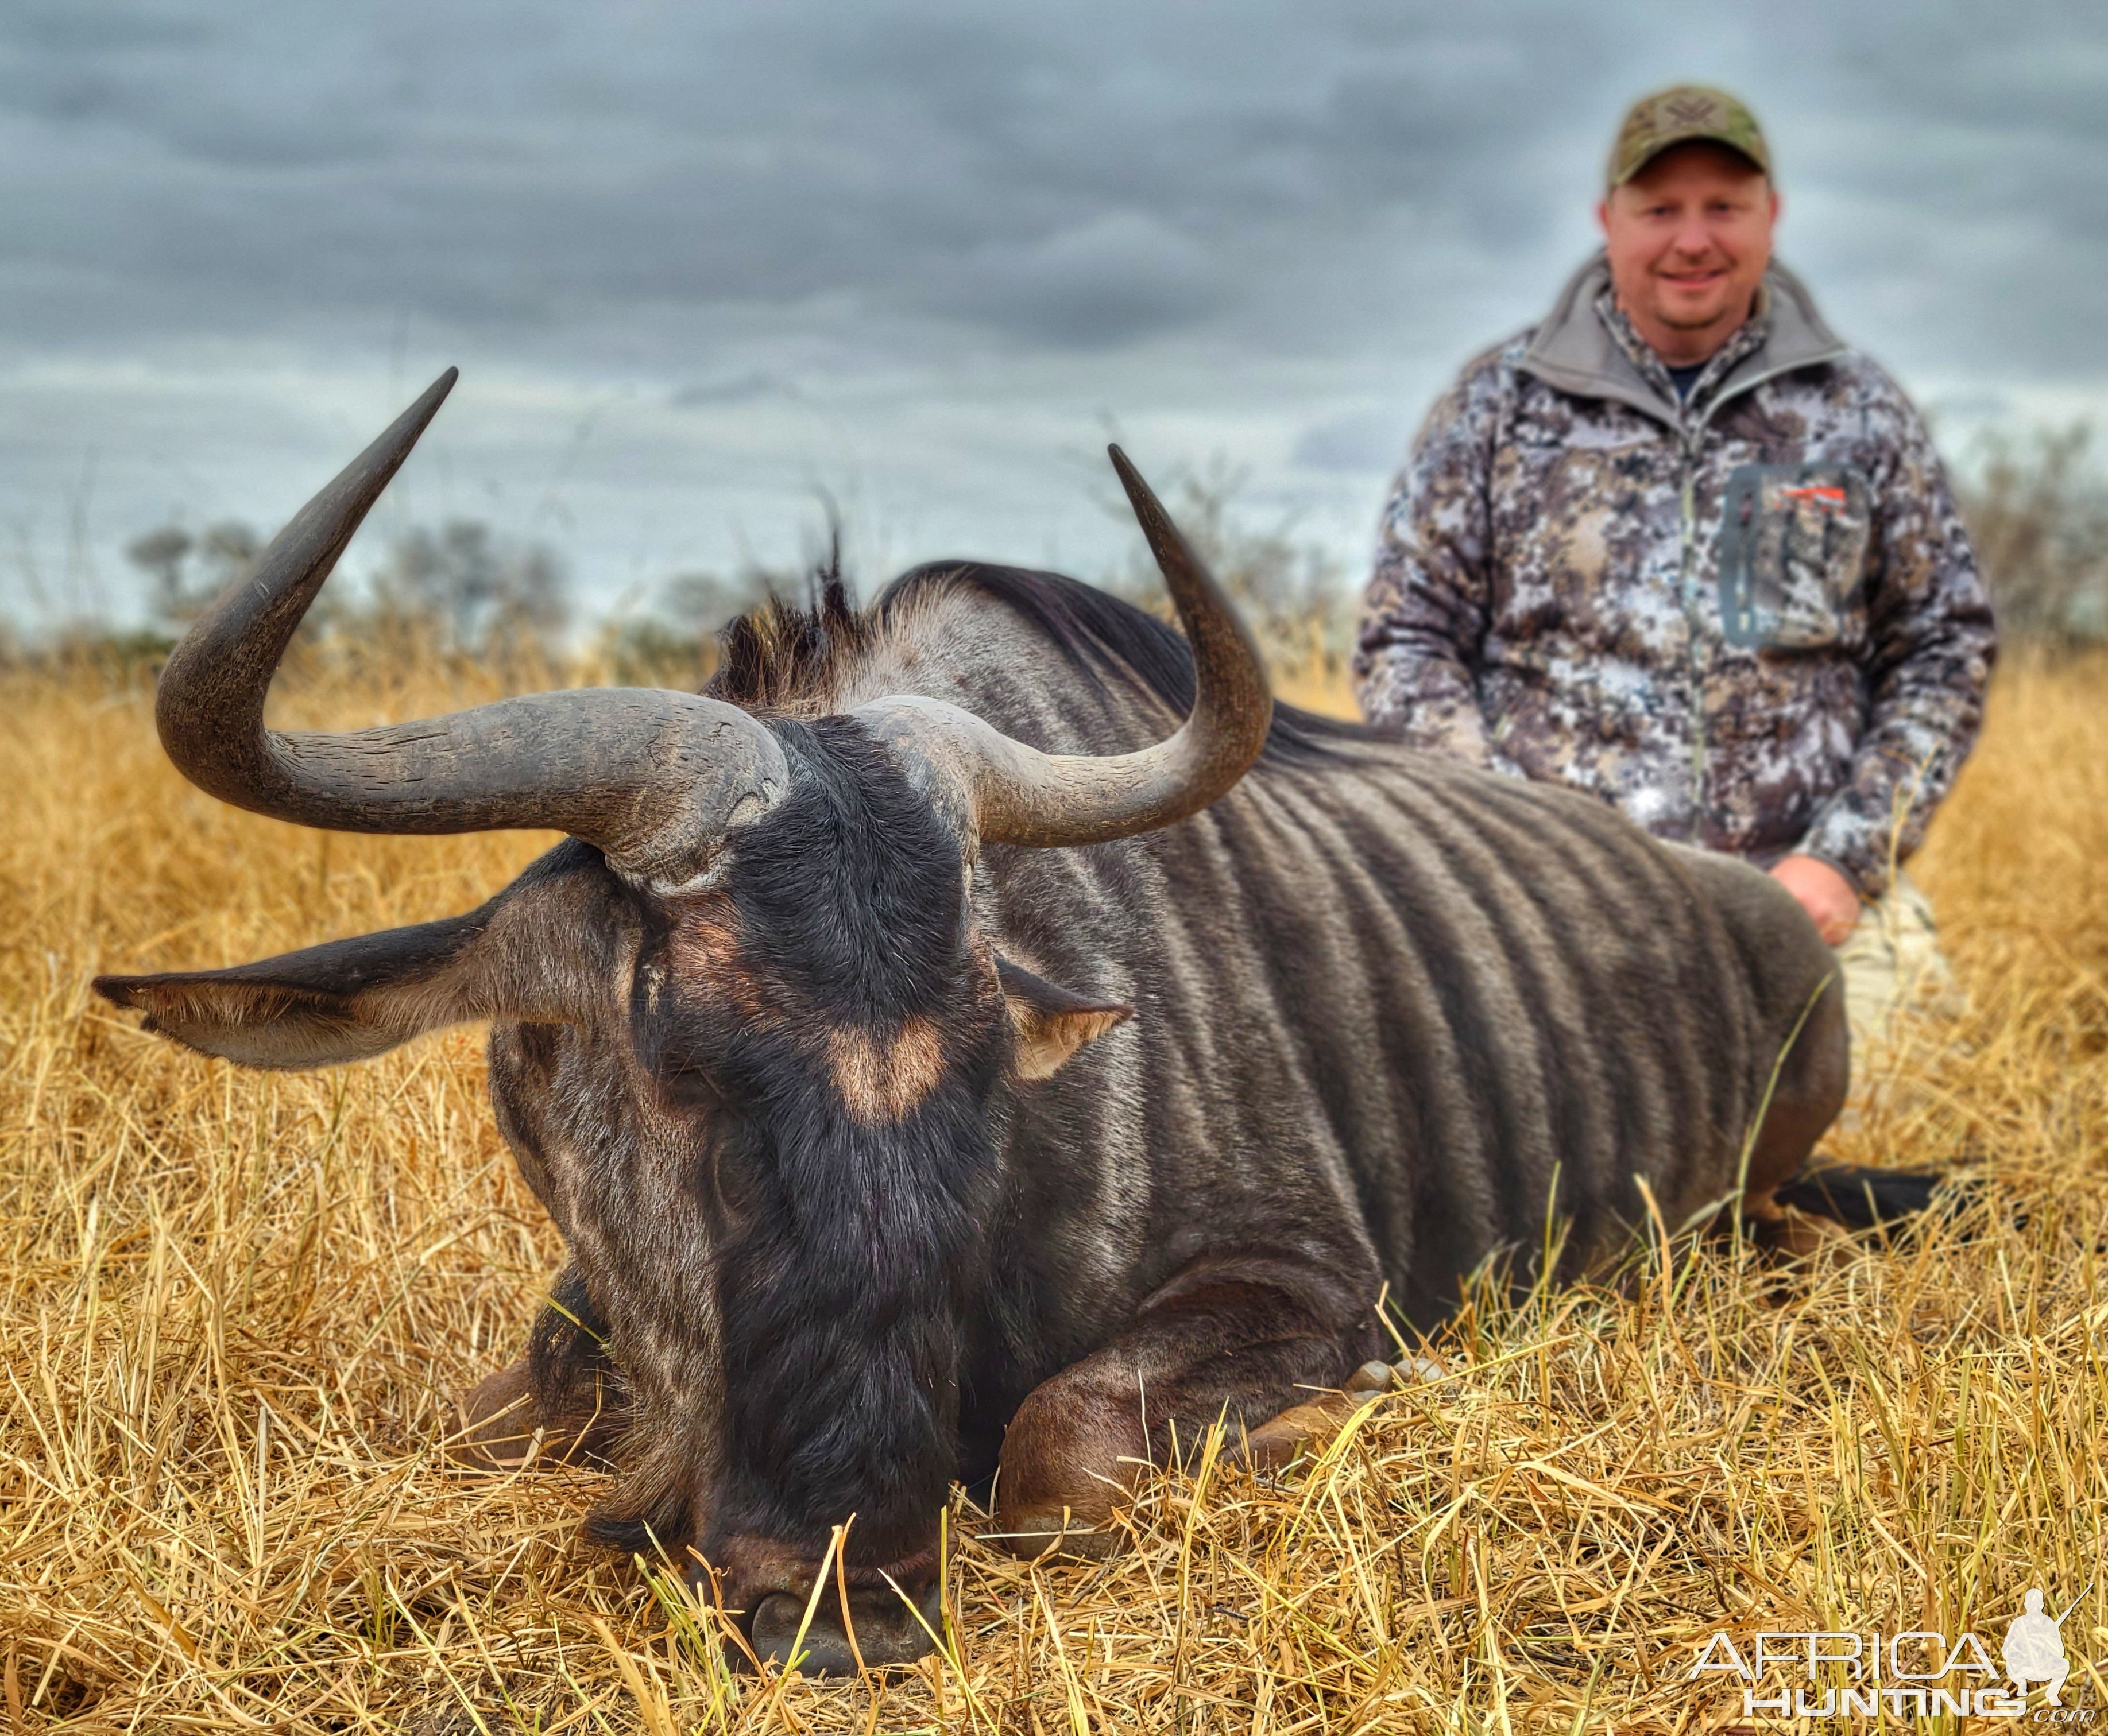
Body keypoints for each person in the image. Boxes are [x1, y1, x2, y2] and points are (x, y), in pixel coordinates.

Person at [1352, 84, 1995, 1064]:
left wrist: (1843, 861)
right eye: (1660, 210)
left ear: (1770, 216)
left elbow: (1943, 647)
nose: (1693, 240)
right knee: (1534, 1168)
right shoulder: (1497, 404)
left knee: (1887, 1150)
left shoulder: (1858, 410)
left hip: (1809, 910)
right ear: (1608, 223)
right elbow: (1406, 639)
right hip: (1552, 920)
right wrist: (1501, 853)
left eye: (1723, 207)